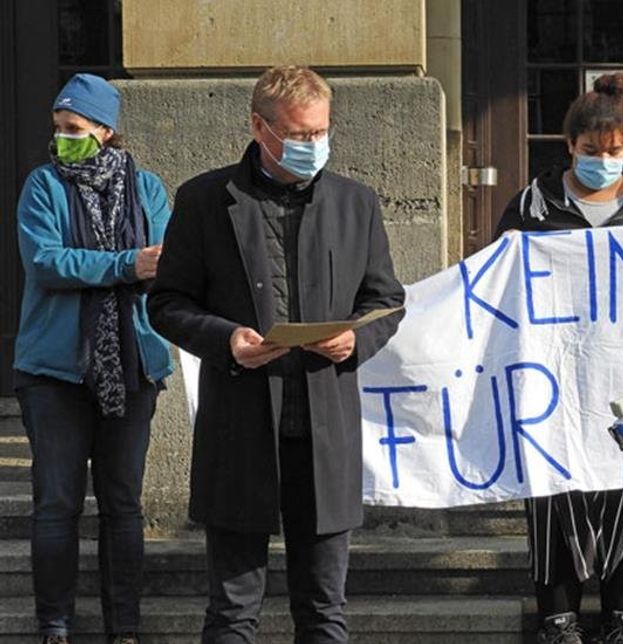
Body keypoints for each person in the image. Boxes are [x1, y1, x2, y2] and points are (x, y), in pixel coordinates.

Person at [147, 65, 405, 644]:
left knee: (324, 610)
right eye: (298, 134)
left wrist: (355, 340)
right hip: (239, 430)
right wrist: (226, 340)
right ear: (258, 127)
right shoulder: (204, 200)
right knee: (232, 612)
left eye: (321, 132)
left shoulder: (356, 202)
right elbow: (166, 303)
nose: (313, 144)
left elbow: (386, 300)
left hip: (324, 431)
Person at [495, 73, 623, 644]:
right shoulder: (533, 204)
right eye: (592, 150)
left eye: (615, 151)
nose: (603, 161)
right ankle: (559, 618)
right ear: (570, 145)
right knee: (556, 493)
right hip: (556, 377)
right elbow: (498, 281)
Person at [14, 73, 174, 644]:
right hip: (53, 371)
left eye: (74, 128)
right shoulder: (43, 186)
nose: (62, 139)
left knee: (123, 503)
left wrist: (146, 267)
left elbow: (167, 263)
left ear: (106, 130)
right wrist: (125, 265)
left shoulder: (147, 189)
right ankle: (54, 623)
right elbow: (46, 262)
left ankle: (123, 626)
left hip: (132, 366)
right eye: (58, 128)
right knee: (57, 503)